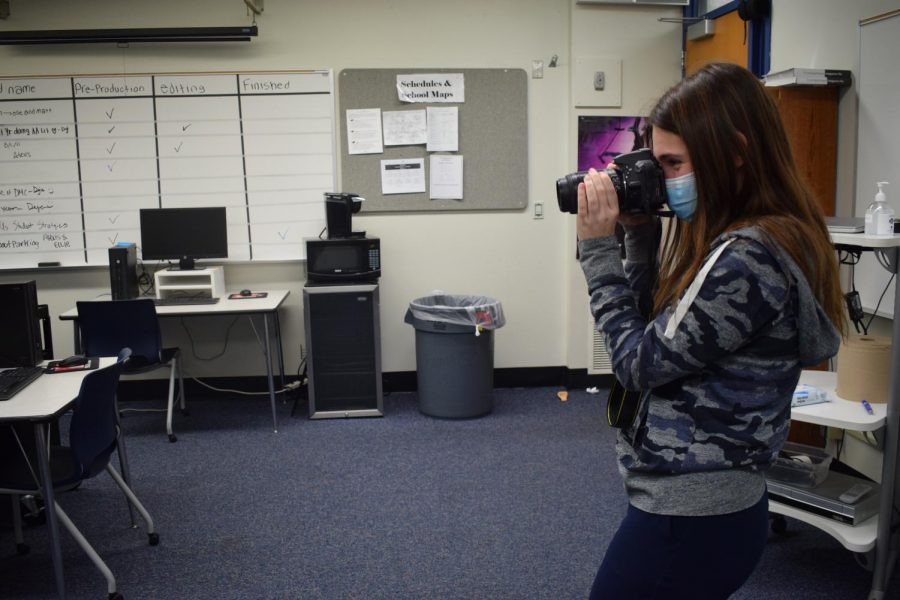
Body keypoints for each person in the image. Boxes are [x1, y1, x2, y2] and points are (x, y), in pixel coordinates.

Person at [576, 62, 846, 599]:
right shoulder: (752, 241)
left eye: (674, 163)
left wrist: (597, 251)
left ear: (737, 151)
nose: (665, 178)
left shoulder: (746, 258)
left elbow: (636, 365)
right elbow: (663, 331)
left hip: (693, 515)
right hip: (706, 505)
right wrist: (641, 240)